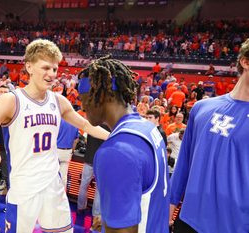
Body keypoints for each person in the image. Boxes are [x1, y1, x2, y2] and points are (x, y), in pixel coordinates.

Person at [0, 39, 109, 233]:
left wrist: (115, 136)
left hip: (53, 185)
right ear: (29, 67)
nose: (51, 74)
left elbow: (86, 125)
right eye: (45, 67)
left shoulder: (58, 101)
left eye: (55, 69)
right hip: (24, 187)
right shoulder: (11, 101)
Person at [78, 56, 169, 233]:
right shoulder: (148, 128)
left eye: (85, 98)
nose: (82, 106)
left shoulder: (116, 152)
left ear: (102, 95)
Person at [170, 38, 249, 233]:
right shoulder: (201, 108)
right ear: (246, 62)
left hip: (236, 227)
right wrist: (169, 204)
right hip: (188, 221)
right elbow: (184, 162)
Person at [57, 120, 79, 188]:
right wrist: (72, 151)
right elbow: (76, 140)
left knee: (53, 175)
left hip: (57, 150)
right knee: (63, 176)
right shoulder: (74, 122)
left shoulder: (59, 120)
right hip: (67, 151)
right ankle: (62, 196)